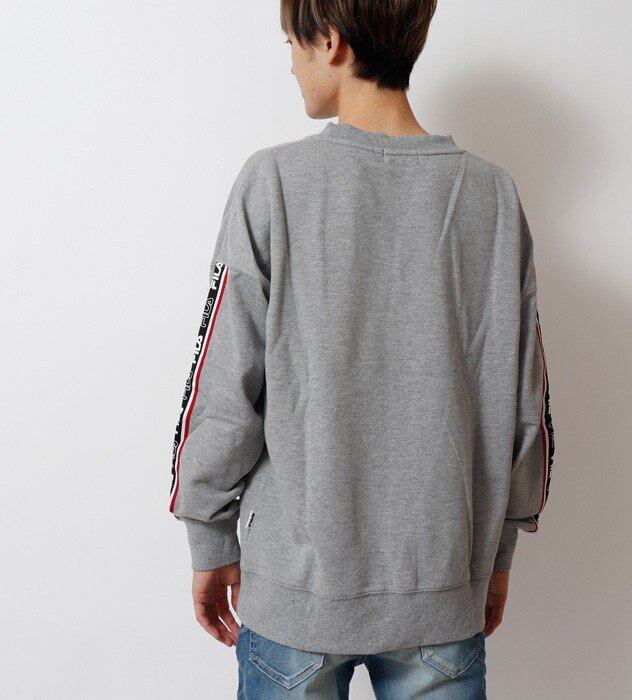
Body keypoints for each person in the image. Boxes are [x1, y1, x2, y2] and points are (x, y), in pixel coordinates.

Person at [168, 0, 555, 697]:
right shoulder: (492, 197)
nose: (291, 64)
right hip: (443, 589)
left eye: (291, 43)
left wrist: (210, 533)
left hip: (295, 598)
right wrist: (497, 553)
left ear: (331, 40)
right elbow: (521, 399)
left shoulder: (273, 182)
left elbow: (223, 385)